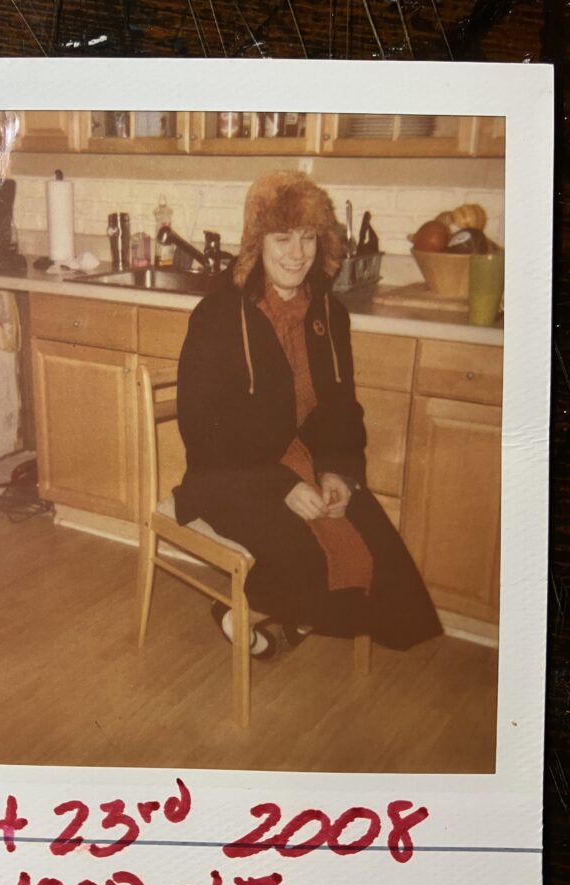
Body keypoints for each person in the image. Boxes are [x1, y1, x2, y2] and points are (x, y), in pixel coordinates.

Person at [174, 170, 441, 658]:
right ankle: (246, 610)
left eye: (308, 237)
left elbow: (341, 408)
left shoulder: (328, 314)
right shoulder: (218, 316)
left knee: (374, 545)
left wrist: (338, 471)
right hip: (227, 475)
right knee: (304, 553)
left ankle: (287, 612)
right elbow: (201, 430)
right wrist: (280, 485)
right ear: (256, 243)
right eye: (282, 238)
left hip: (303, 461)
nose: (297, 254)